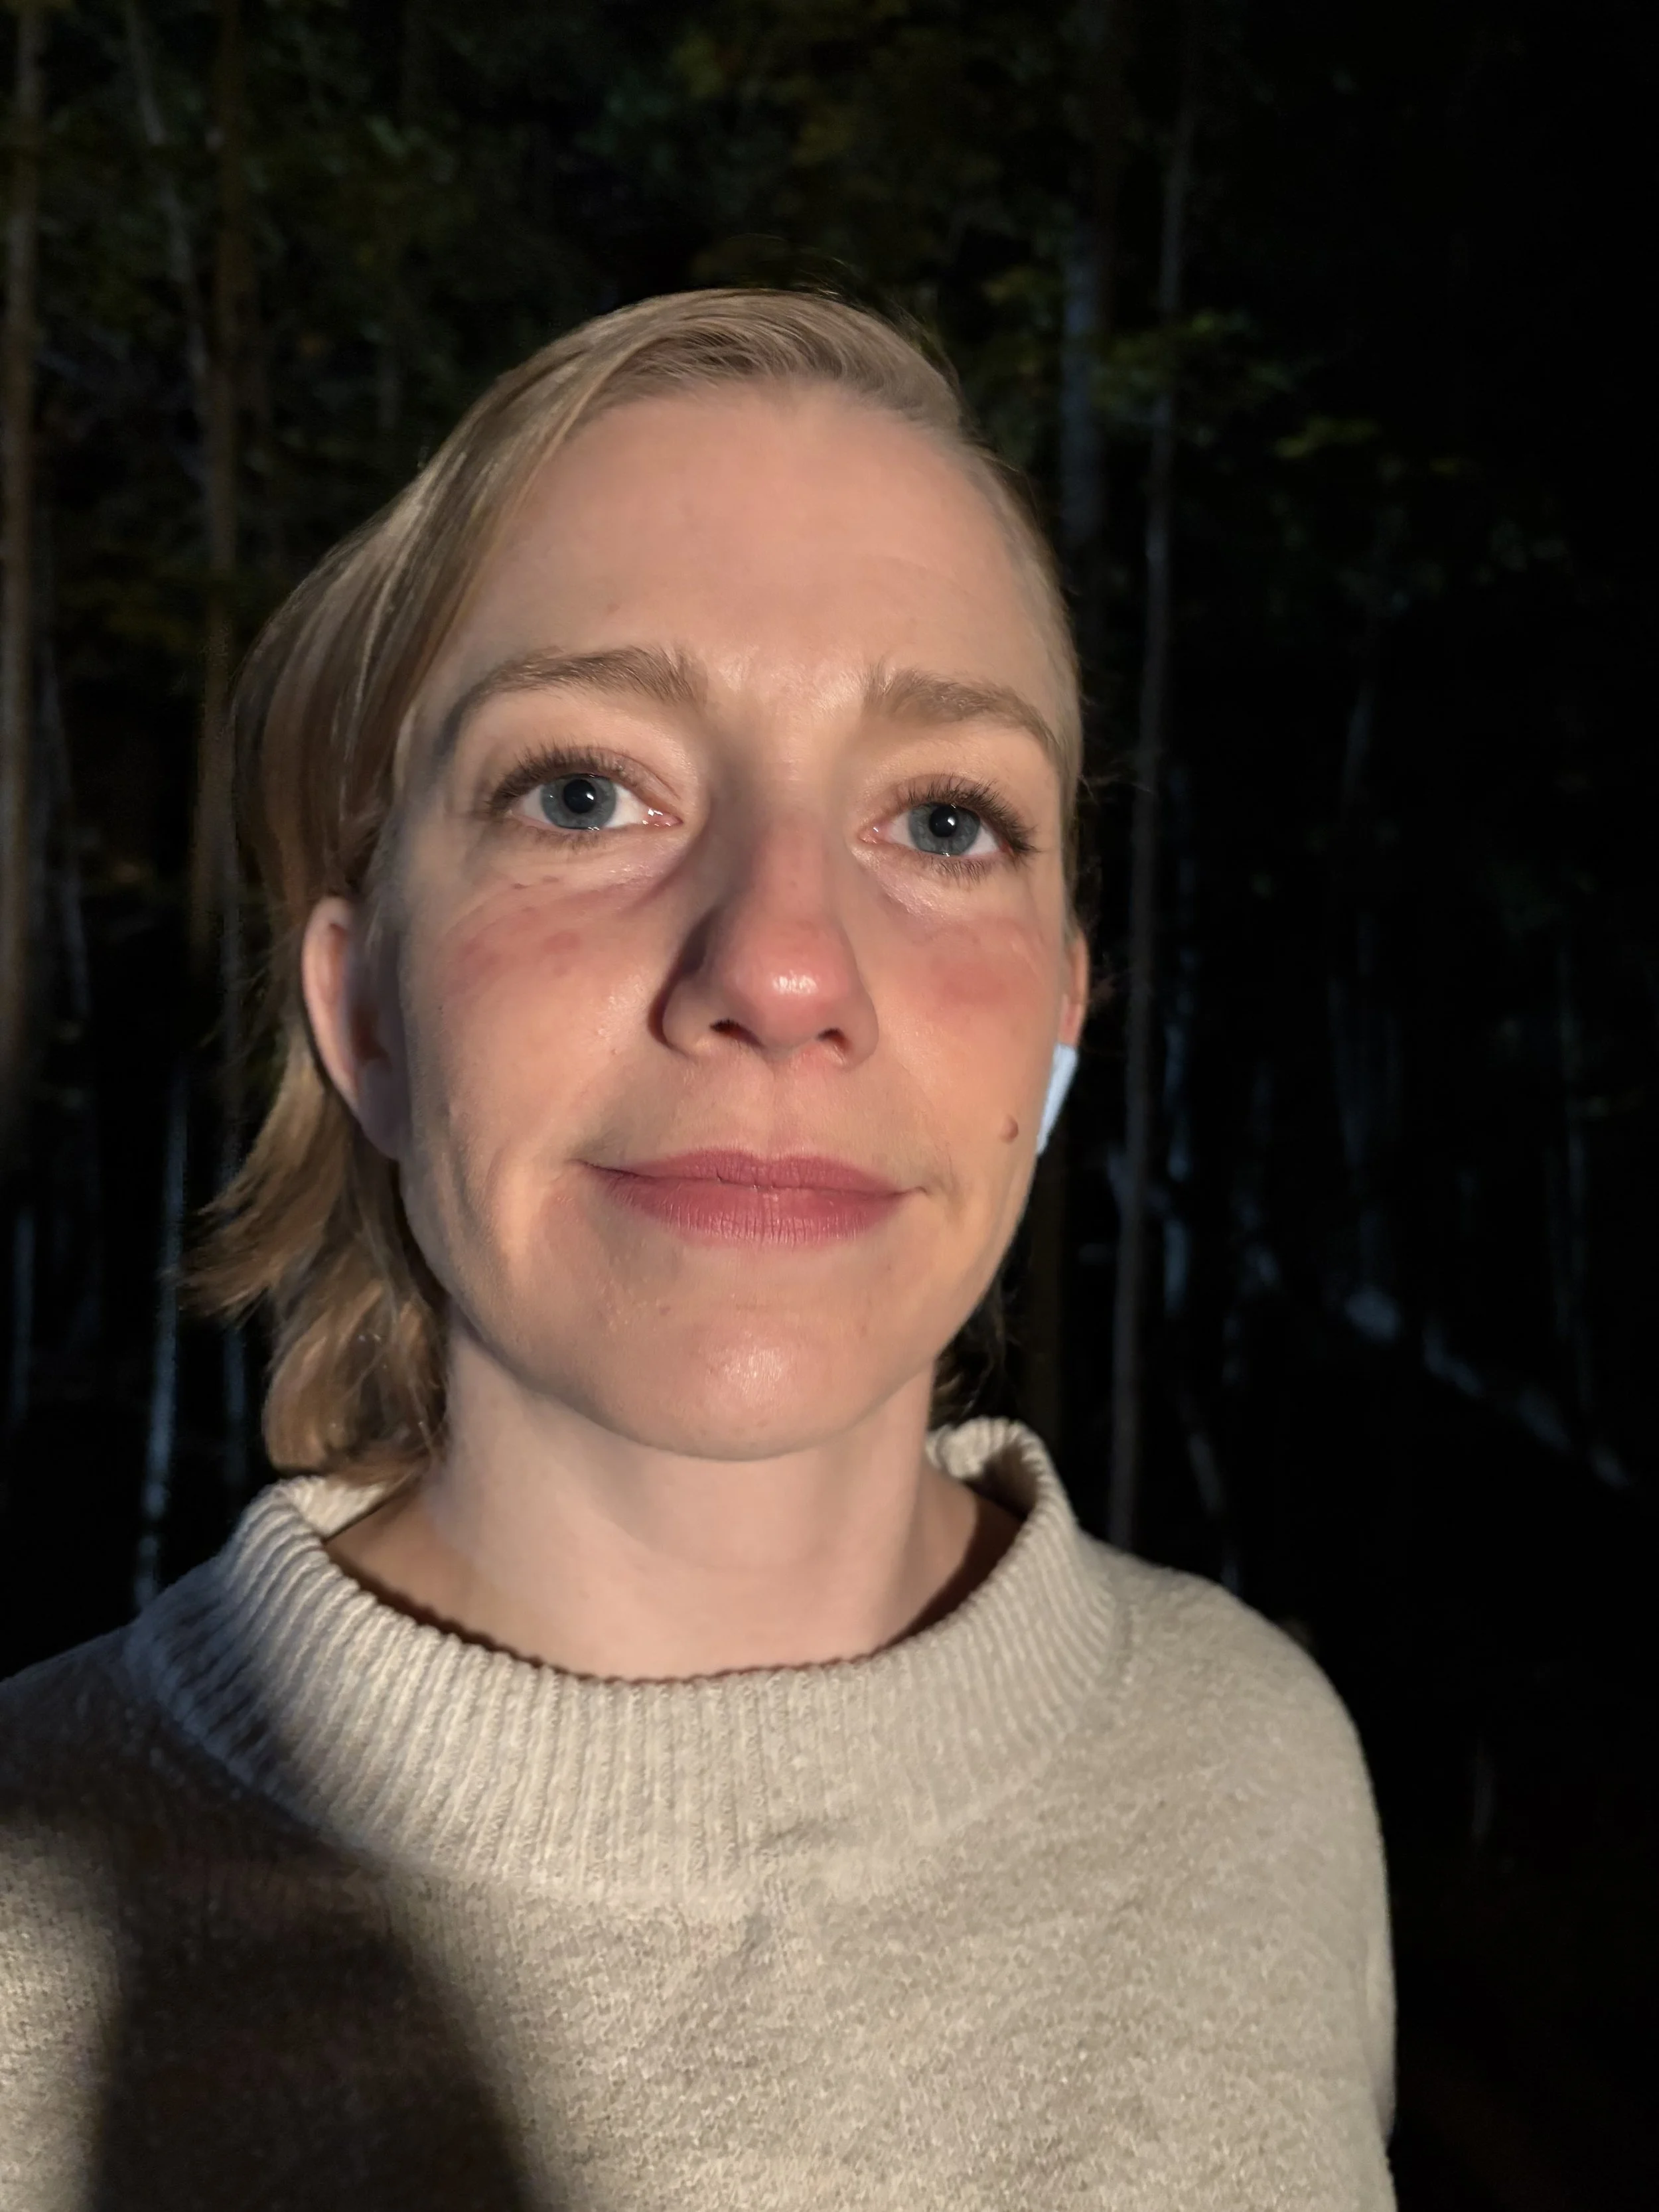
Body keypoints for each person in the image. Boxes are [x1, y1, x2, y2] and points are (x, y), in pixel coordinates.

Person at [0, 291, 1394, 2209]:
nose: (783, 964)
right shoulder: (32, 1919)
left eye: (943, 816)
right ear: (370, 1012)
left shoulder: (1260, 1771)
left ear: (1058, 1026)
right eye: (584, 790)